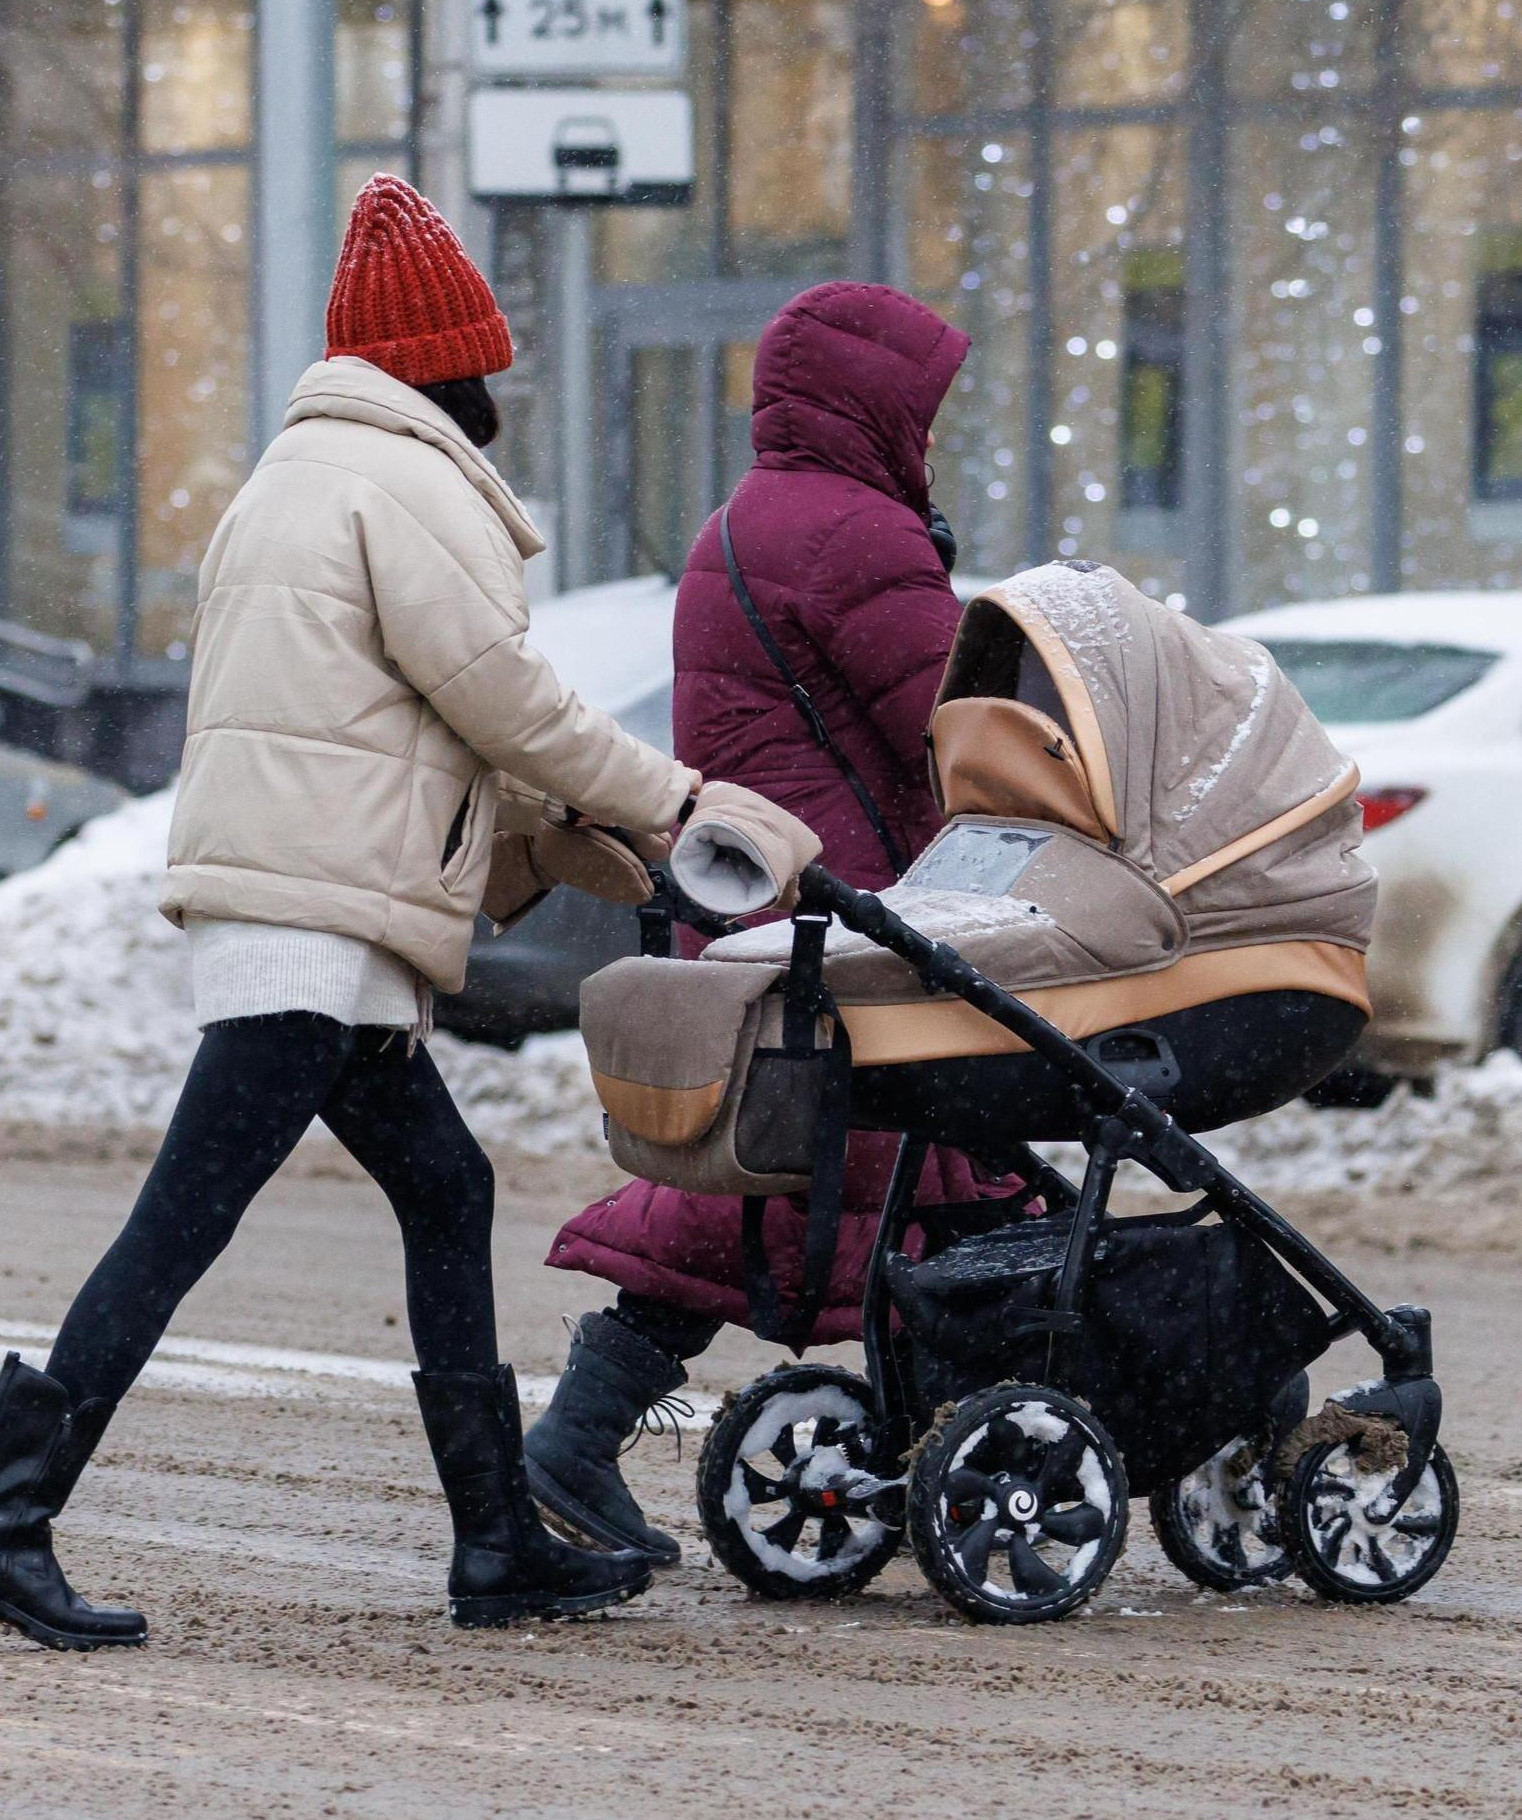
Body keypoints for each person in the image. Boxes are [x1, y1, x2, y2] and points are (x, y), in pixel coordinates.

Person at [0, 175, 793, 1645]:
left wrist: (548, 832)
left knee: (443, 1190)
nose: (494, 394)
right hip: (310, 927)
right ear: (443, 361)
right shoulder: (396, 483)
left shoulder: (300, 476)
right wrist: (671, 800)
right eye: (484, 366)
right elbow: (500, 695)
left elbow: (390, 721)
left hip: (309, 906)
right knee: (180, 1222)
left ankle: (495, 1544)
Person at [521, 282, 997, 1567]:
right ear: (872, 404)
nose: (936, 432)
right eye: (924, 406)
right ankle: (583, 1430)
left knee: (852, 1168)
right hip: (835, 918)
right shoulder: (853, 534)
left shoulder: (749, 520)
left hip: (764, 904)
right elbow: (956, 727)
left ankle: (941, 1425)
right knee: (826, 1171)